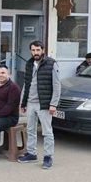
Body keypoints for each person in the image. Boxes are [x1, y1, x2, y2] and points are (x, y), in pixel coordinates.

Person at [18, 40, 61, 169]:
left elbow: (57, 85)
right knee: (30, 129)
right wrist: (23, 102)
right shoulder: (29, 64)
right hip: (30, 103)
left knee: (47, 132)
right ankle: (31, 153)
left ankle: (48, 157)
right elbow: (26, 84)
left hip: (45, 104)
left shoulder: (51, 64)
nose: (35, 52)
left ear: (43, 50)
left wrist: (53, 104)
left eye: (38, 50)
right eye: (33, 50)